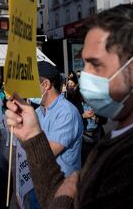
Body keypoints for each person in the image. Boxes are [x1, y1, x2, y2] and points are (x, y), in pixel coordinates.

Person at [5, 4, 133, 208]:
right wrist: (33, 136)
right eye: (84, 64)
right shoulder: (124, 136)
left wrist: (68, 195)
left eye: (95, 64)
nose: (84, 76)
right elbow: (54, 197)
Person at [18, 62, 83, 208]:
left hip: (61, 190)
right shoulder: (38, 112)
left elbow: (46, 152)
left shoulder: (67, 112)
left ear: (46, 84)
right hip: (38, 187)